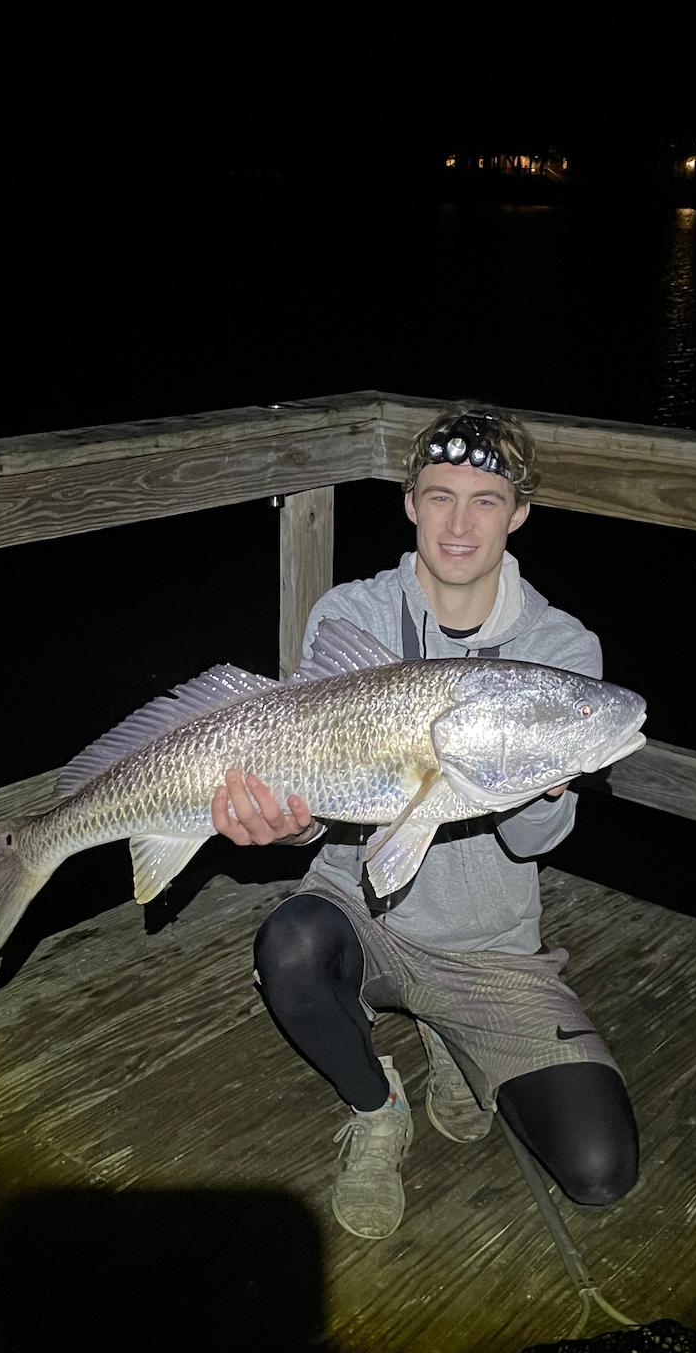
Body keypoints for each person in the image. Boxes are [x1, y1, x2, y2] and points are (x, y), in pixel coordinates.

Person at [212, 404, 640, 1239]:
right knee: (288, 946)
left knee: (599, 1170)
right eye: (440, 495)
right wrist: (287, 826)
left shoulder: (560, 650)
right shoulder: (353, 617)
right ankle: (378, 1107)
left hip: (489, 946)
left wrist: (542, 783)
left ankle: (455, 1029)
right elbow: (316, 805)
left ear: (518, 513)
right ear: (410, 502)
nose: (458, 522)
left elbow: (530, 841)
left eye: (486, 500)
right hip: (357, 916)